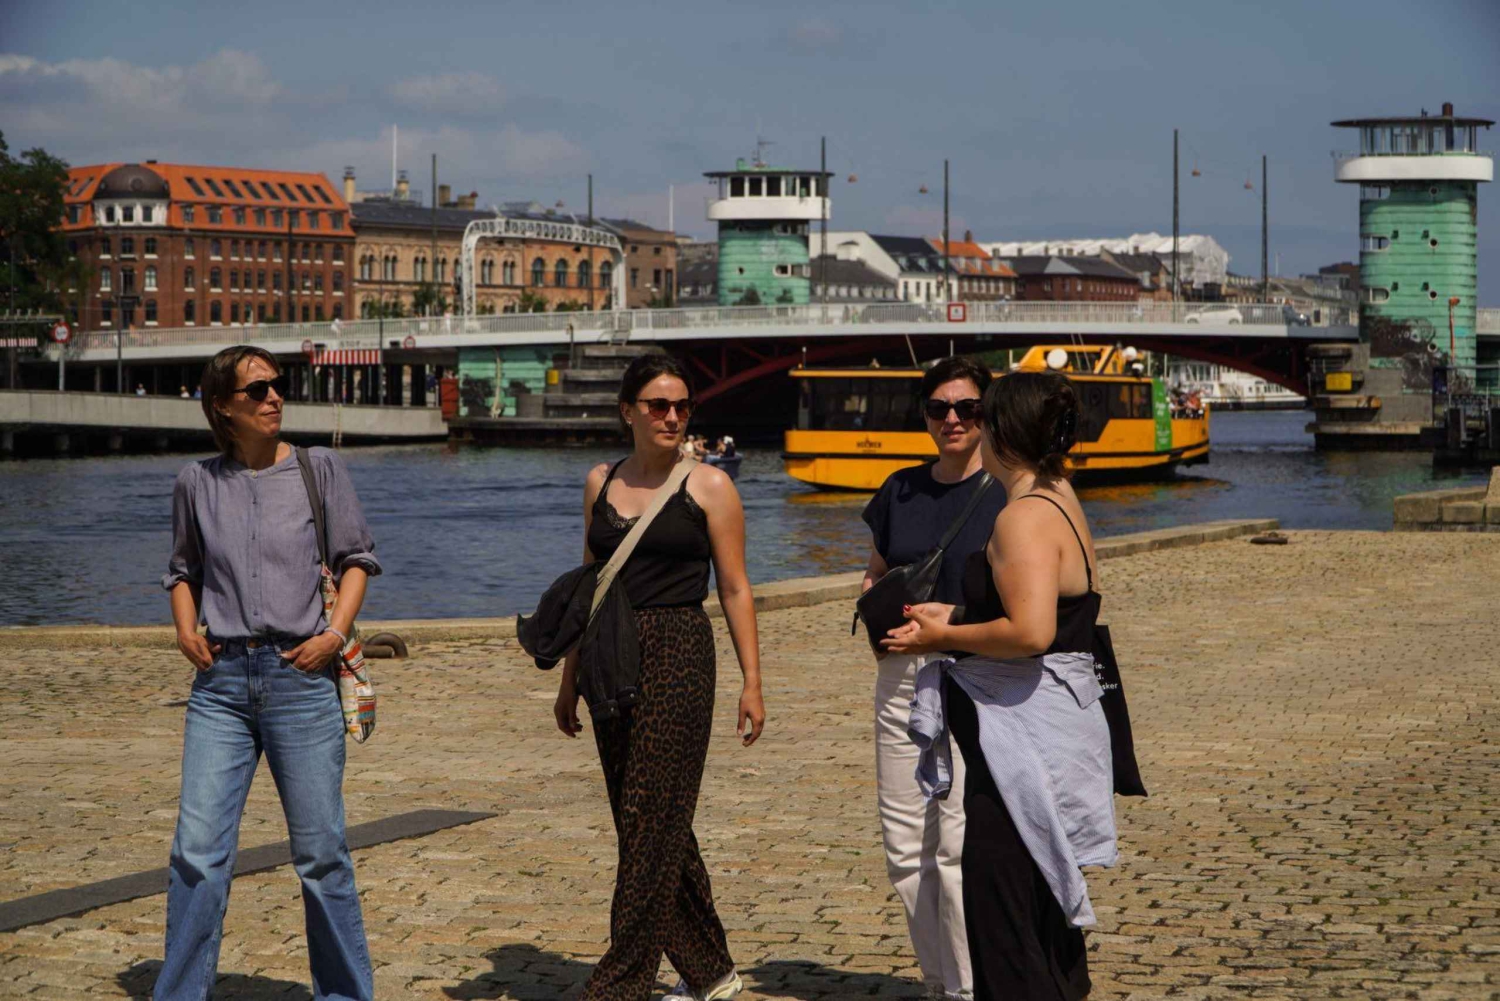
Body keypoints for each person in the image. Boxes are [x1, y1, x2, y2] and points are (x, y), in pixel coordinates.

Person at [157, 345, 378, 1001]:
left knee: (321, 854)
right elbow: (181, 570)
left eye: (278, 385)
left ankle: (343, 995)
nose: (274, 397)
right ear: (223, 406)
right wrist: (182, 629)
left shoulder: (320, 469)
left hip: (301, 679)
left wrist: (333, 634)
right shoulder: (195, 482)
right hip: (220, 686)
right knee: (197, 851)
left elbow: (357, 558)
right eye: (257, 390)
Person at [885, 371, 1115, 1001]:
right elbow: (1047, 612)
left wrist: (943, 639)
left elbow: (1032, 631)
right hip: (1052, 725)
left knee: (1003, 907)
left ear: (1000, 431)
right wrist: (954, 616)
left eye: (981, 415)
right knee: (1042, 900)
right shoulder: (1060, 492)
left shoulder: (1022, 517)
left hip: (1026, 739)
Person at [555, 353, 765, 1001]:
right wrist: (569, 678)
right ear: (629, 411)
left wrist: (751, 680)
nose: (671, 415)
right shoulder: (600, 481)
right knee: (645, 816)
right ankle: (711, 970)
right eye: (657, 405)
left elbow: (734, 587)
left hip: (678, 649)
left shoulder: (710, 488)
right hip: (609, 652)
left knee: (652, 813)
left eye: (681, 406)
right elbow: (586, 586)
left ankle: (620, 979)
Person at [860, 356, 1005, 1001]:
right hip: (901, 675)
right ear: (924, 417)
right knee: (903, 846)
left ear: (986, 415)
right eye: (940, 408)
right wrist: (875, 607)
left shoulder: (1008, 492)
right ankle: (938, 980)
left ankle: (967, 988)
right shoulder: (900, 489)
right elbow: (877, 569)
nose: (952, 418)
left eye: (966, 408)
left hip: (974, 675)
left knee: (954, 846)